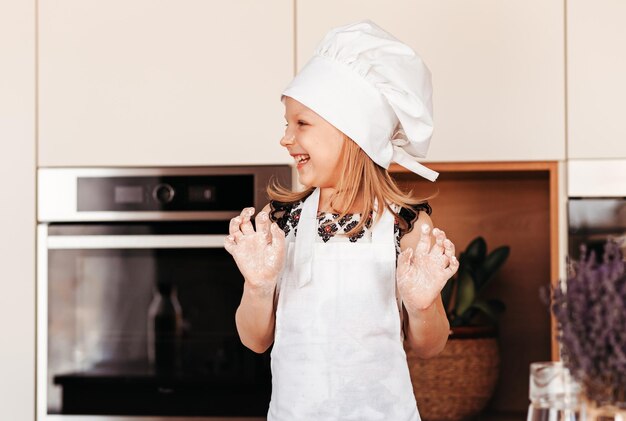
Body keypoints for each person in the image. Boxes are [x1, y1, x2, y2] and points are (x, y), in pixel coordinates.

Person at [224, 20, 459, 421]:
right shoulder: (280, 222)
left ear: (353, 133)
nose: (285, 138)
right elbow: (255, 340)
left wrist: (422, 306)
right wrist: (258, 286)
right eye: (286, 123)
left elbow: (430, 346)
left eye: (301, 123)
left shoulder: (408, 226)